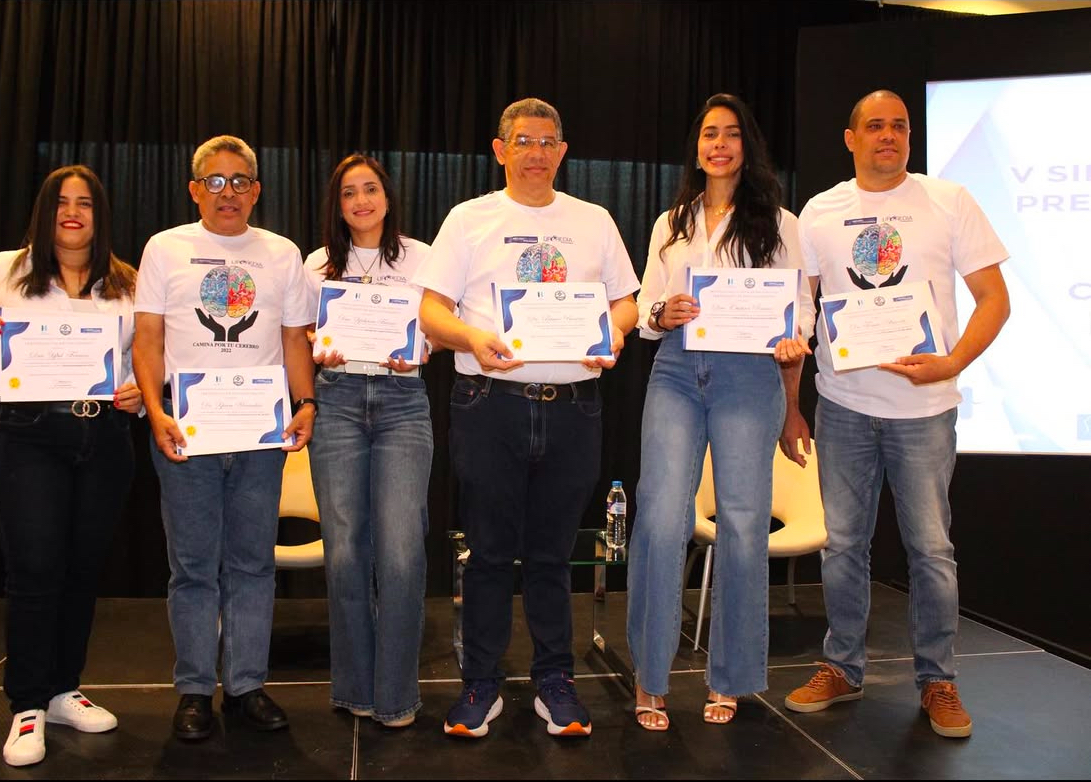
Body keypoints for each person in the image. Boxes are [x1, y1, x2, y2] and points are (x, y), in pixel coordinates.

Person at [783, 90, 1010, 739]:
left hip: (925, 410)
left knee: (931, 550)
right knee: (844, 547)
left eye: (900, 126)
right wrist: (792, 406)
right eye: (875, 126)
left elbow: (994, 298)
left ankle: (938, 680)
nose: (889, 135)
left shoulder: (948, 201)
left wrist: (953, 361)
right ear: (850, 138)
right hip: (845, 407)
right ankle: (841, 667)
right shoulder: (820, 212)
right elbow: (801, 310)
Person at [416, 97, 640, 739]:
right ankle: (481, 684)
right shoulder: (469, 219)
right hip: (490, 406)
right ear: (500, 149)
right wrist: (471, 339)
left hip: (574, 407)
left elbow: (626, 302)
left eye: (547, 141)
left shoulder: (593, 220)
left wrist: (616, 334)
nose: (536, 152)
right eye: (523, 141)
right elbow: (431, 310)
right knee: (487, 553)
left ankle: (555, 681)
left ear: (562, 152)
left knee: (550, 554)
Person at [625, 94, 815, 731]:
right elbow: (649, 311)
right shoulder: (669, 222)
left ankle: (730, 676)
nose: (720, 145)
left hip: (748, 375)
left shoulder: (782, 224)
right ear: (697, 146)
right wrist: (663, 313)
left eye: (732, 134)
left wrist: (793, 363)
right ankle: (651, 678)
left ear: (747, 145)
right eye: (709, 134)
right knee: (657, 518)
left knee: (741, 522)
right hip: (677, 369)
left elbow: (801, 312)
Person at [0, 165, 142, 766]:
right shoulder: (5, 269)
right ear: (44, 211)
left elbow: (142, 362)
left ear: (100, 213)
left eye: (84, 203)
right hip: (26, 437)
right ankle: (26, 705)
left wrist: (135, 390)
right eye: (61, 203)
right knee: (35, 569)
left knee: (82, 569)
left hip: (105, 436)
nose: (72, 212)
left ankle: (62, 688)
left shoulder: (127, 281)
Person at [132, 135, 317, 741]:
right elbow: (149, 340)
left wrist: (307, 401)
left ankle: (245, 685)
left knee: (251, 565)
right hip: (187, 433)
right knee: (192, 568)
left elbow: (294, 340)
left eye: (240, 181)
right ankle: (193, 691)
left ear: (257, 190)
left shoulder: (282, 254)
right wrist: (156, 410)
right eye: (215, 181)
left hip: (259, 435)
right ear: (195, 190)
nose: (228, 192)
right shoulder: (165, 249)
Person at [302, 154, 433, 728]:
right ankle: (355, 687)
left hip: (403, 402)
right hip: (336, 400)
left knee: (403, 550)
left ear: (388, 195)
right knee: (347, 550)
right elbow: (300, 335)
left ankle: (398, 695)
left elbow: (438, 329)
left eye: (370, 189)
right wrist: (316, 350)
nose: (361, 201)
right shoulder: (315, 264)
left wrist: (421, 350)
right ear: (337, 204)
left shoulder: (421, 256)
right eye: (349, 193)